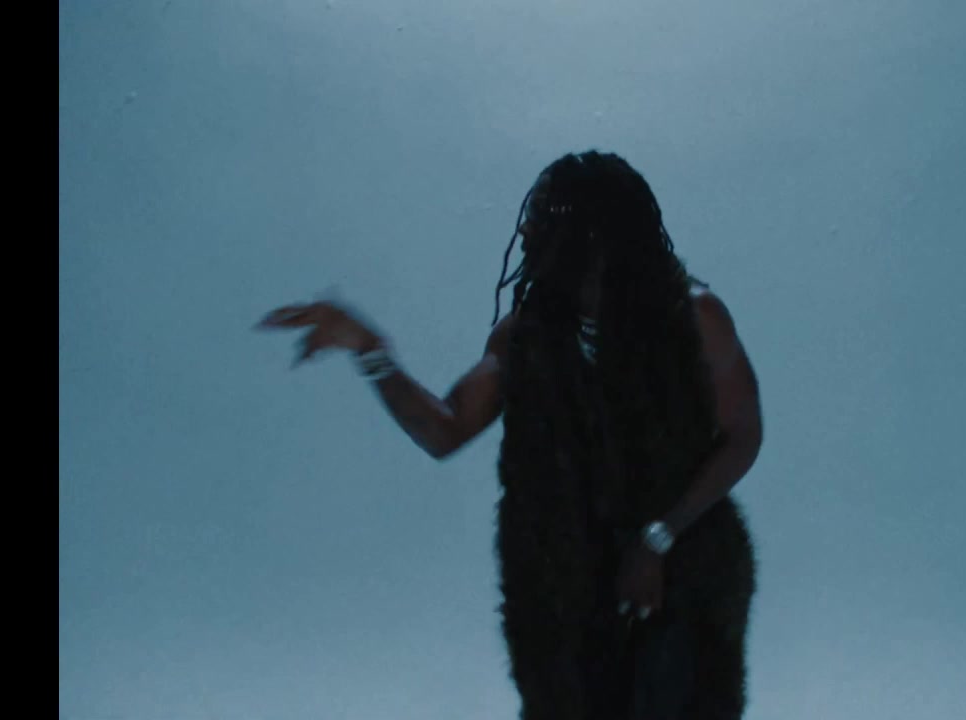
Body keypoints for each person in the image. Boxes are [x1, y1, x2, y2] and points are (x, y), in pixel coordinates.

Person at [258, 151, 762, 719]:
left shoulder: (693, 319)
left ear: (594, 232)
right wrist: (370, 349)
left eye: (544, 215)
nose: (525, 230)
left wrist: (659, 538)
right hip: (564, 592)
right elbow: (446, 430)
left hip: (685, 575)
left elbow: (743, 436)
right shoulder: (525, 336)